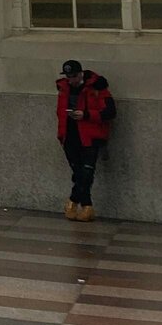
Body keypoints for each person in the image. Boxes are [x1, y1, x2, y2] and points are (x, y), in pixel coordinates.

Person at [57, 59, 115, 221]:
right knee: (78, 173)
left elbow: (110, 112)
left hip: (90, 136)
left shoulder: (97, 88)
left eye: (74, 76)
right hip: (70, 136)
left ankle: (74, 201)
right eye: (68, 77)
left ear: (81, 74)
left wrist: (87, 115)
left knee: (86, 172)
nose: (71, 80)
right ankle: (86, 206)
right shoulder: (64, 88)